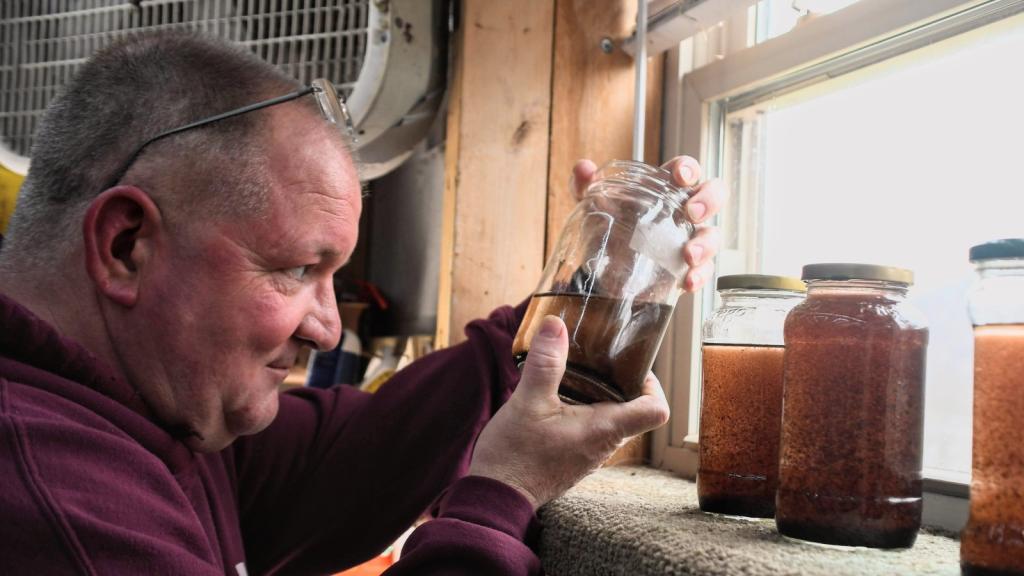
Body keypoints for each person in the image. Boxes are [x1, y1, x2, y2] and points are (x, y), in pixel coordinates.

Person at [0, 31, 724, 575]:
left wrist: (595, 286)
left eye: (335, 278)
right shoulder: (52, 503)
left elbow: (371, 447)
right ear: (126, 245)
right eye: (296, 268)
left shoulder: (155, 418)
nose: (324, 327)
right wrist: (500, 497)